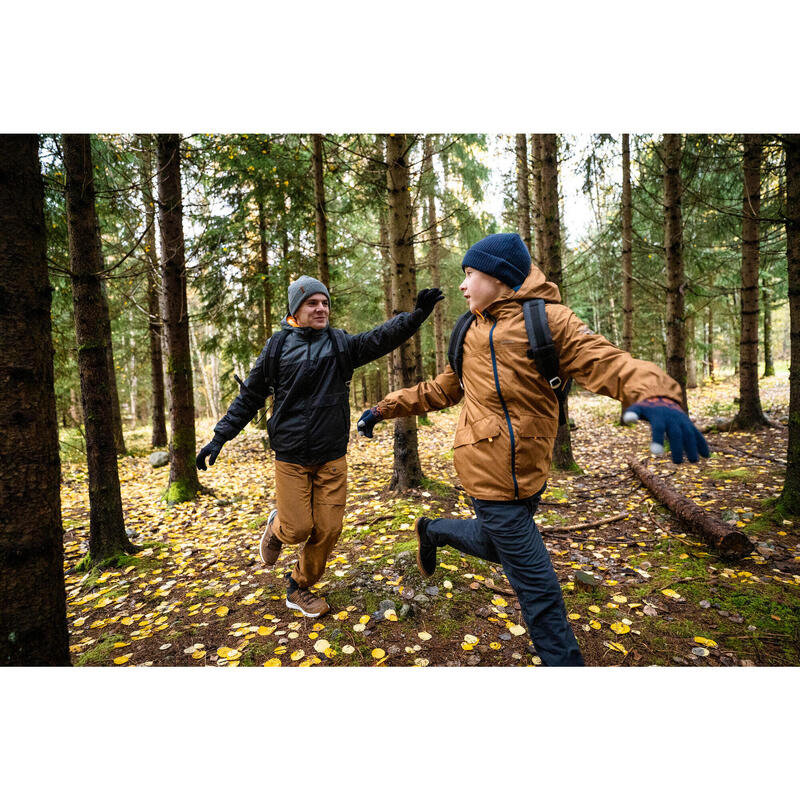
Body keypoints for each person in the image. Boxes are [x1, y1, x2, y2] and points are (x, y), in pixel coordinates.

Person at [357, 233, 709, 666]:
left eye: (470, 274)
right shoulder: (467, 329)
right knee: (538, 586)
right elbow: (443, 389)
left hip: (531, 468)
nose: (463, 286)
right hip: (483, 467)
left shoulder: (550, 321)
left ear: (500, 277)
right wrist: (383, 407)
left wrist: (655, 394)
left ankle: (434, 531)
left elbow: (604, 359)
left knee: (493, 544)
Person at [197, 275, 443, 618]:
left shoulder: (341, 344)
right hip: (291, 457)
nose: (321, 308)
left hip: (331, 456)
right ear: (295, 309)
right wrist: (220, 436)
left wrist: (415, 316)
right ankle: (276, 526)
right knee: (298, 528)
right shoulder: (277, 348)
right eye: (313, 302)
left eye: (325, 302)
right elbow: (250, 396)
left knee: (328, 530)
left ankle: (298, 586)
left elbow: (380, 339)